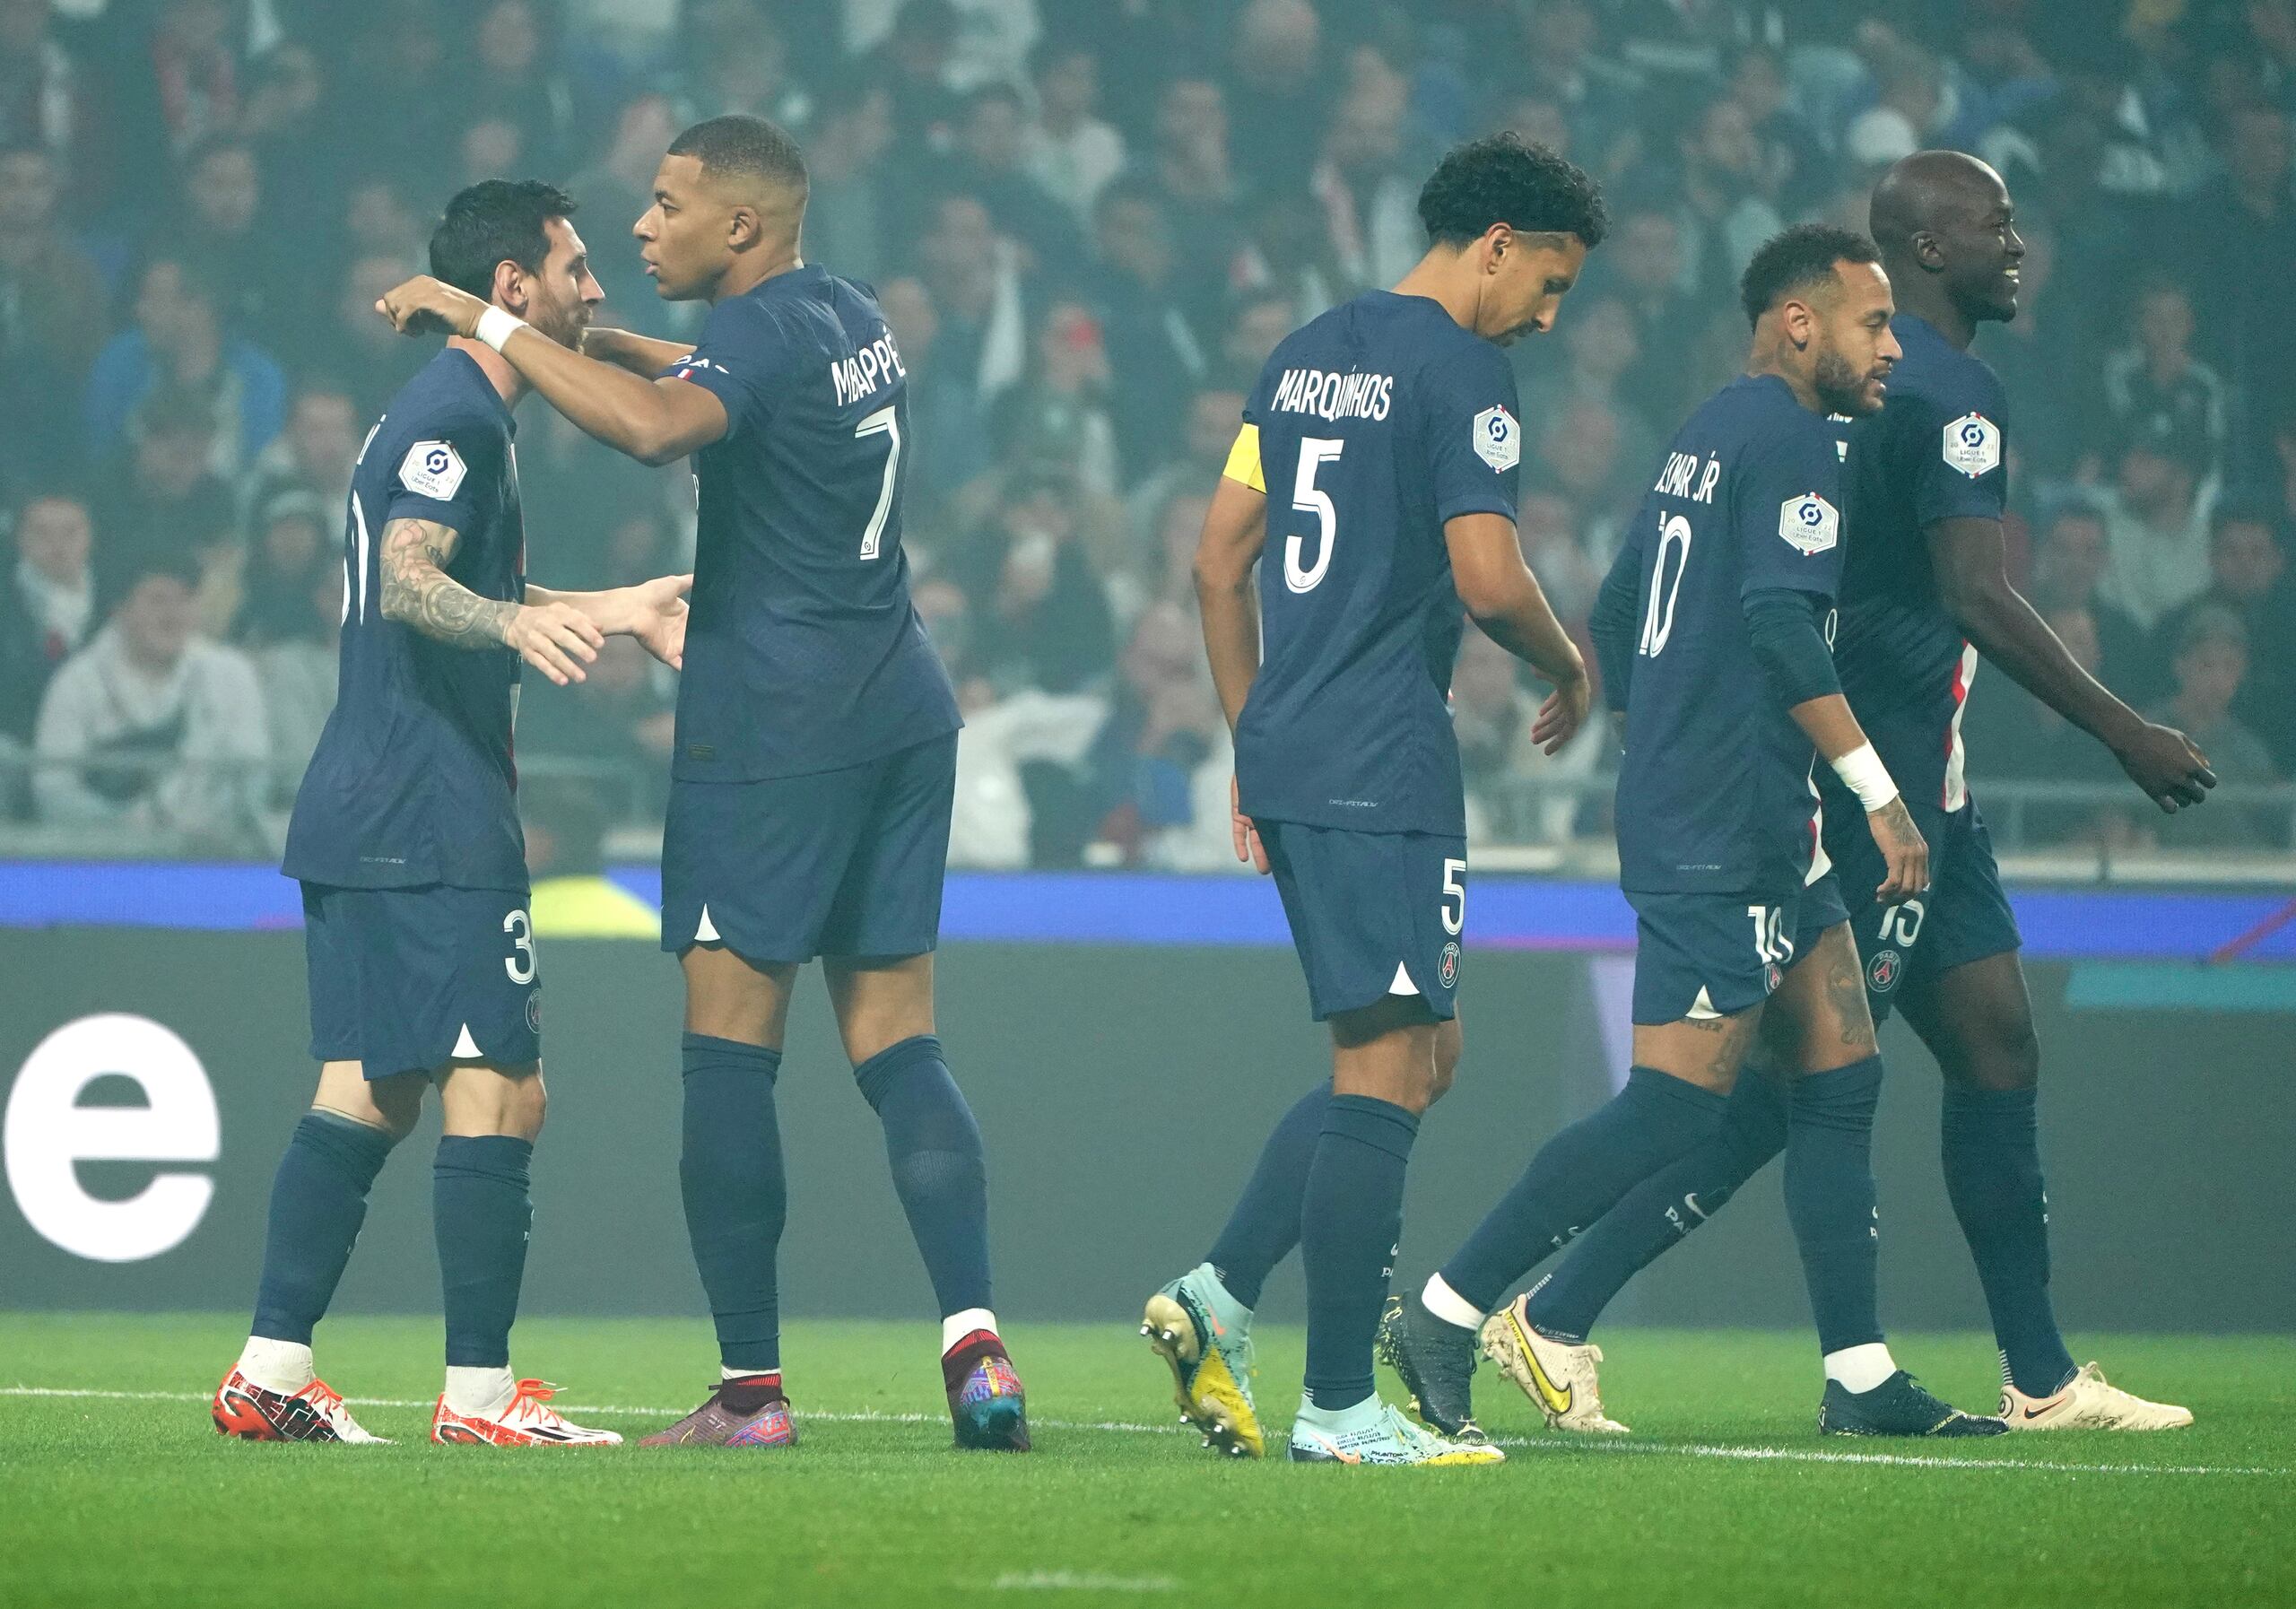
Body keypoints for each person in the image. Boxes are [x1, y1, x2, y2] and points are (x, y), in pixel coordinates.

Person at [1448, 152, 2205, 1437]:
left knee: (1992, 1044)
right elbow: (1970, 592)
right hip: (1871, 783)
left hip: (1927, 785)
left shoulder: (1831, 399)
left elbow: (1646, 592)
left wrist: (1621, 687)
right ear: (1918, 248)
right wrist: (2122, 728)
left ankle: (2036, 1372)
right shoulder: (1941, 391)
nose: (2017, 245)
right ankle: (1556, 1309)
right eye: (1992, 224)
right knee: (1779, 1090)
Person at [376, 114, 1031, 1453]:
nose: (638, 225)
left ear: (740, 225)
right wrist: (601, 341)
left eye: (665, 203)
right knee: (901, 1043)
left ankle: (751, 1396)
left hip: (773, 730)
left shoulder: (759, 342)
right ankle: (977, 1346)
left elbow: (664, 429)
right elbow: (716, 372)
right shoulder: (847, 313)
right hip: (901, 710)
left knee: (729, 1057)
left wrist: (481, 321)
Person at [1384, 223, 2010, 1440]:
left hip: (1753, 817)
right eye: (1874, 325)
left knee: (1841, 1071)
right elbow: (1781, 627)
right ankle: (1450, 1309)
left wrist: (1625, 709)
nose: (1894, 347)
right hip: (1722, 823)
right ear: (1798, 323)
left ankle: (1863, 1373)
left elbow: (1622, 600)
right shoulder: (1796, 445)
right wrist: (1882, 791)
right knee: (1674, 1106)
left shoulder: (1709, 429)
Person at [1142, 133, 1601, 1468]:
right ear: (1497, 244)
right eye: (1551, 283)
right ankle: (1340, 1406)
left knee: (1416, 1054)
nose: (1548, 316)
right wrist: (1570, 658)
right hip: (1381, 755)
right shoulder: (1468, 370)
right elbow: (1487, 575)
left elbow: (1217, 563)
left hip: (1300, 741)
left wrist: (1253, 736)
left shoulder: (1301, 354)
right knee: (1388, 1066)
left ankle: (1218, 1298)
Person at [213, 179, 690, 1448]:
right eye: (577, 266)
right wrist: (518, 622)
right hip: (432, 804)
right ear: (515, 288)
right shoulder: (461, 413)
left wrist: (613, 603)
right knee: (505, 1086)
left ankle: (268, 1370)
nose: (597, 286)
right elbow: (419, 582)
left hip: (364, 794)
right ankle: (480, 1397)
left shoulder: (446, 412)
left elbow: (460, 577)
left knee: (372, 1087)